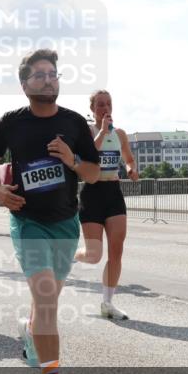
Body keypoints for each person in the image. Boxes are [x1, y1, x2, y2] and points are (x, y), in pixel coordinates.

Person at [0, 49, 100, 374]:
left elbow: (93, 174)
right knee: (48, 300)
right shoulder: (12, 123)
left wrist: (71, 160)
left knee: (46, 300)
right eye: (40, 75)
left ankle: (28, 330)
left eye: (53, 73)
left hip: (66, 223)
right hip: (28, 221)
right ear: (24, 84)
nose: (49, 79)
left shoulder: (75, 124)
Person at [74, 90, 139, 320]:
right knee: (94, 254)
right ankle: (74, 254)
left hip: (113, 192)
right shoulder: (87, 132)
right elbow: (86, 155)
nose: (105, 108)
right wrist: (102, 131)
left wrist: (131, 169)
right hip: (92, 192)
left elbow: (128, 158)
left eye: (108, 104)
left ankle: (108, 302)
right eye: (100, 104)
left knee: (116, 250)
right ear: (92, 109)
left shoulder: (119, 134)